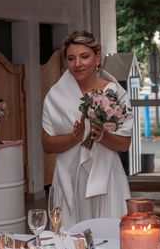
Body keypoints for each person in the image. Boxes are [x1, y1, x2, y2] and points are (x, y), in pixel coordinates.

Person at [42, 30, 133, 229]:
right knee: (69, 239)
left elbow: (125, 144)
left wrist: (102, 136)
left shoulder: (114, 93)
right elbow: (47, 144)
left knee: (108, 236)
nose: (78, 64)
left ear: (97, 57)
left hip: (106, 174)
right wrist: (74, 138)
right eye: (71, 58)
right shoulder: (55, 95)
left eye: (84, 56)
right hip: (68, 174)